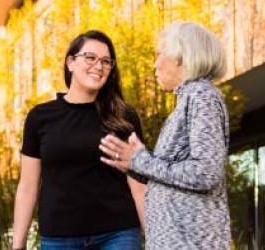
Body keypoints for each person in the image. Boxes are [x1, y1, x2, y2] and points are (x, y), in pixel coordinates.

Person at [99, 21, 231, 249]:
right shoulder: (188, 100)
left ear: (180, 56)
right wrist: (133, 164)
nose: (155, 65)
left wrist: (141, 160)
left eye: (159, 55)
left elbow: (206, 172)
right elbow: (172, 174)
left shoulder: (202, 97)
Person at [12, 30, 146, 250]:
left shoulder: (124, 117)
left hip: (118, 235)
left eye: (106, 61)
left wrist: (155, 236)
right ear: (70, 63)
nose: (99, 66)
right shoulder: (40, 118)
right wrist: (18, 245)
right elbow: (28, 187)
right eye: (90, 57)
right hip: (59, 238)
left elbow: (138, 185)